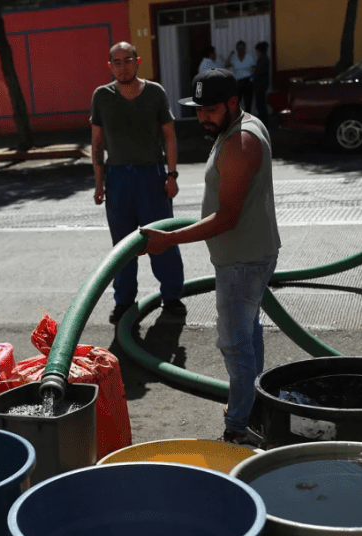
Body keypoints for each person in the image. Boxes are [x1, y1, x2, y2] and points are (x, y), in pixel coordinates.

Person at [139, 69, 280, 445]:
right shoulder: (240, 127)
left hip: (241, 260)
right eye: (199, 109)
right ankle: (252, 408)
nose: (203, 117)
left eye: (211, 110)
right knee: (248, 333)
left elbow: (227, 217)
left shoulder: (240, 142)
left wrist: (169, 239)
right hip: (249, 254)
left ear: (233, 103)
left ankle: (239, 428)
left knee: (235, 343)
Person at [91, 41, 186, 324]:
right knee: (122, 244)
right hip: (117, 177)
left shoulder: (155, 92)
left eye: (128, 60)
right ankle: (124, 301)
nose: (123, 67)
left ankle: (172, 296)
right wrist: (99, 183)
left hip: (151, 175)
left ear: (138, 61)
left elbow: (169, 136)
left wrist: (171, 175)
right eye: (117, 62)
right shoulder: (102, 96)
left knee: (161, 238)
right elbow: (97, 143)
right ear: (110, 66)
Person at [225, 40, 256, 113]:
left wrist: (253, 71)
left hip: (248, 82)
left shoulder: (249, 57)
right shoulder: (234, 58)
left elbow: (254, 68)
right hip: (238, 82)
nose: (241, 49)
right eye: (239, 48)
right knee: (237, 103)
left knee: (248, 103)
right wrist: (230, 55)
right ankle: (238, 117)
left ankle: (248, 117)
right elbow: (226, 65)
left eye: (242, 48)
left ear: (244, 48)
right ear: (237, 49)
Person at [253, 41, 271, 121]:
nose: (256, 52)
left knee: (261, 105)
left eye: (257, 51)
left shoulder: (263, 59)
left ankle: (264, 121)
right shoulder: (263, 58)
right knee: (260, 104)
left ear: (259, 50)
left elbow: (260, 72)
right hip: (261, 85)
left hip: (261, 85)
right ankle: (264, 120)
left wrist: (254, 70)